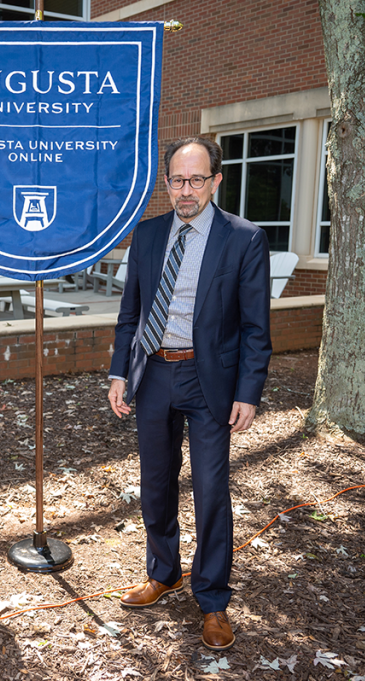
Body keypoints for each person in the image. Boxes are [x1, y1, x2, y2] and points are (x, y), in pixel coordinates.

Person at [107, 136, 272, 651]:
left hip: (210, 384)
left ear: (216, 181)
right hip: (153, 375)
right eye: (177, 180)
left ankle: (214, 600)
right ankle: (164, 573)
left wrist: (248, 391)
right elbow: (130, 314)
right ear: (167, 182)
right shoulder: (149, 234)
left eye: (196, 179)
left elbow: (255, 328)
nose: (186, 190)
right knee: (155, 483)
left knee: (210, 491)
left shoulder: (244, 239)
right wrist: (119, 373)